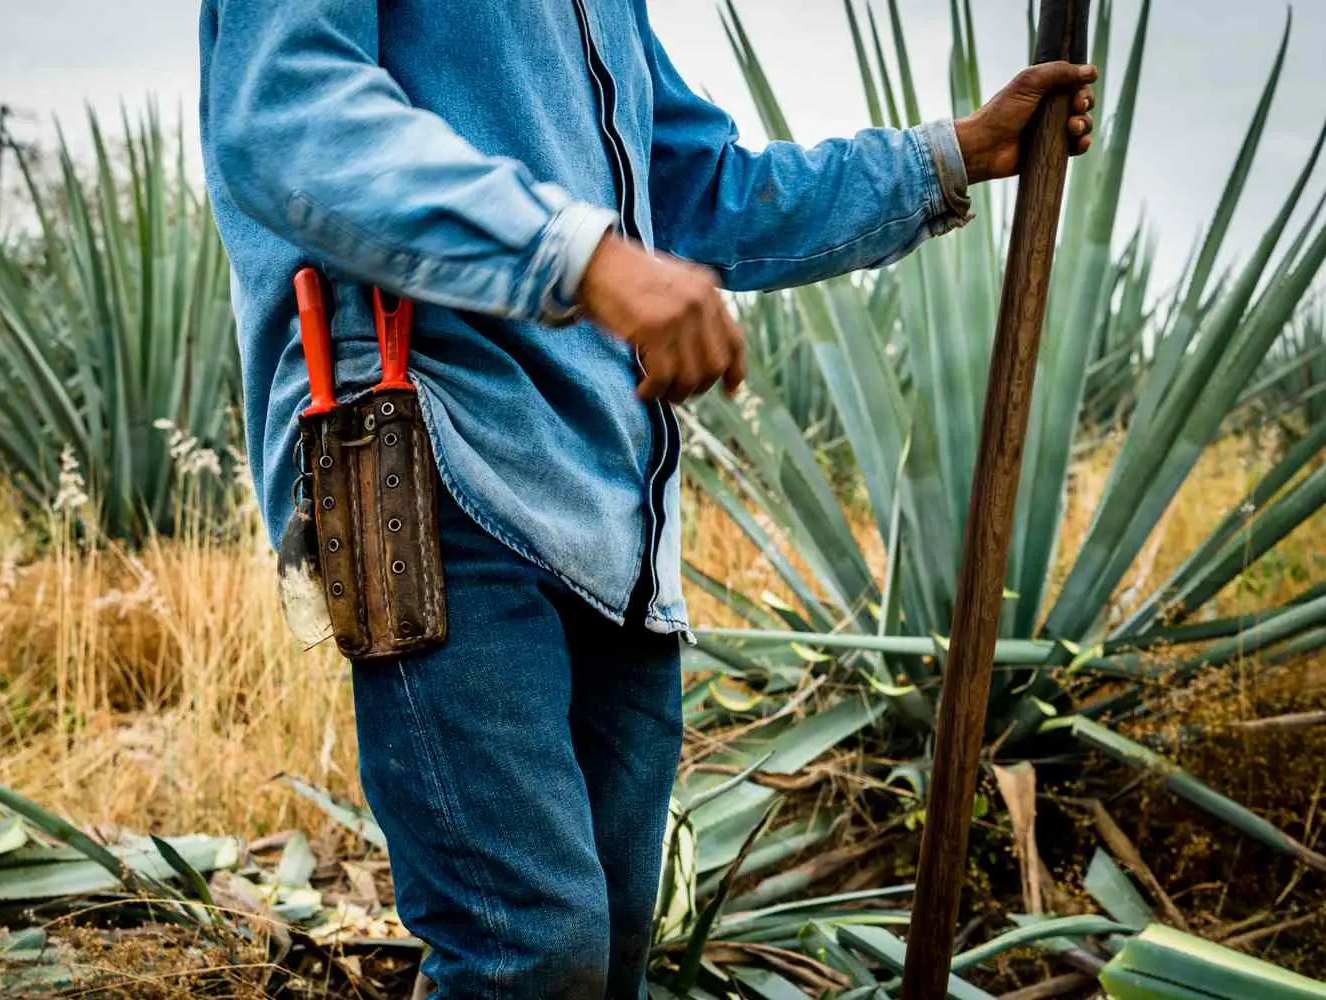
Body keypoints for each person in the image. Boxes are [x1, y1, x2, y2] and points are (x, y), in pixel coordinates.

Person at [198, 3, 1096, 996]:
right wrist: (579, 255)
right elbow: (286, 113)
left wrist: (946, 158)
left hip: (614, 516)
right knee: (533, 950)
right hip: (435, 470)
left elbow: (696, 191)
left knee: (615, 944)